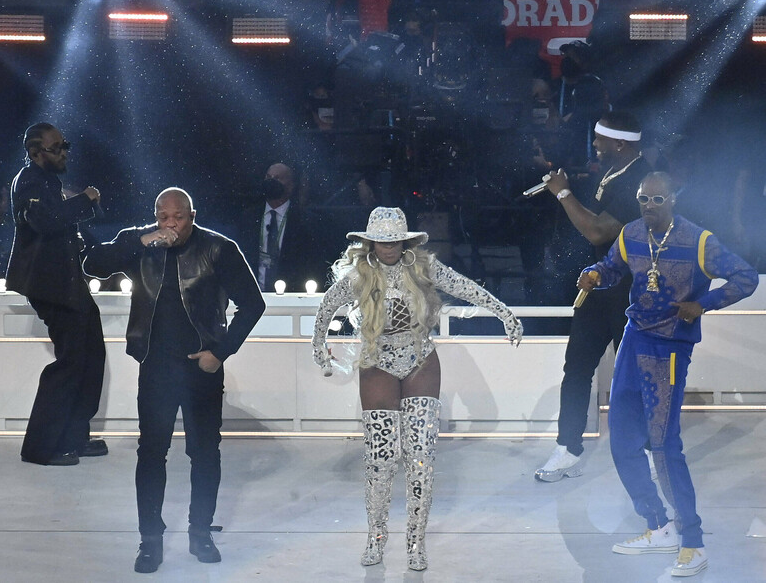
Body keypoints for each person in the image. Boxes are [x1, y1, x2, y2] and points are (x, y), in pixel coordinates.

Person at [311, 207, 523, 571]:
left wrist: (504, 312)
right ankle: (376, 538)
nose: (388, 247)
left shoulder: (424, 268)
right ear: (370, 242)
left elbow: (466, 287)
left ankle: (415, 542)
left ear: (406, 240)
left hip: (420, 358)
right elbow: (326, 307)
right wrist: (320, 349)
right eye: (381, 240)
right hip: (377, 359)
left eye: (394, 240)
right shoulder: (360, 274)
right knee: (380, 459)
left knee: (421, 457)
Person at [576, 172, 757, 577]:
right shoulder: (631, 234)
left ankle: (692, 541)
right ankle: (657, 526)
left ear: (674, 197)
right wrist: (593, 275)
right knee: (622, 439)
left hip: (669, 347)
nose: (649, 206)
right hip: (634, 339)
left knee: (662, 444)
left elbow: (745, 277)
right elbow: (611, 267)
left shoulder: (700, 241)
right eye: (643, 199)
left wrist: (704, 304)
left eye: (657, 199)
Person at [83, 188, 265, 574]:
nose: (170, 224)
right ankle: (150, 540)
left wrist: (221, 352)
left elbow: (253, 302)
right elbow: (94, 264)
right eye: (162, 216)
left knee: (204, 453)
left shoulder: (218, 248)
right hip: (155, 367)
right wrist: (140, 240)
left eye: (178, 217)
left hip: (200, 368)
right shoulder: (141, 243)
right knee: (150, 453)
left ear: (192, 216)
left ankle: (200, 533)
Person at [535, 110, 652, 482]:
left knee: (634, 374)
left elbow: (599, 232)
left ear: (620, 144)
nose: (595, 146)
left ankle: (646, 451)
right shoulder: (618, 171)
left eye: (600, 141)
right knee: (577, 369)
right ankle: (568, 449)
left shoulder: (641, 181)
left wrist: (564, 193)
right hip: (600, 285)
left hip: (631, 291)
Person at [6, 123, 106, 467]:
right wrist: (85, 200)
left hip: (66, 281)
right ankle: (41, 446)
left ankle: (73, 436)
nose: (64, 152)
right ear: (36, 152)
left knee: (90, 354)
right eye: (56, 147)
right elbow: (45, 221)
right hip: (50, 285)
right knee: (70, 362)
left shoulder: (47, 181)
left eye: (65, 145)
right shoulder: (30, 180)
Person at [237, 162, 320, 293]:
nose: (271, 182)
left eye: (277, 178)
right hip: (253, 294)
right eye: (268, 177)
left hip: (290, 297)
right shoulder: (248, 217)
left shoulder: (306, 221)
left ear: (291, 185)